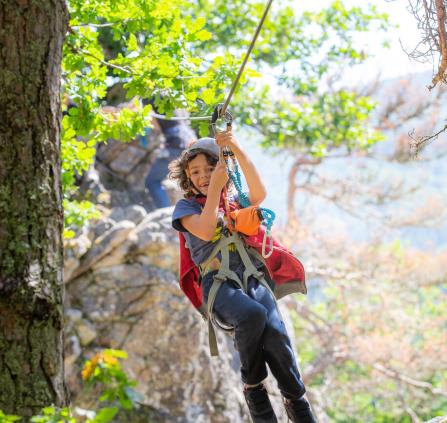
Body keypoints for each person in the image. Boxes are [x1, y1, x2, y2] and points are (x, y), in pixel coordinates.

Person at [169, 132, 317, 423]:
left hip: (251, 276)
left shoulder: (233, 200)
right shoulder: (185, 208)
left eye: (210, 169)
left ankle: (297, 404)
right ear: (186, 177)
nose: (203, 176)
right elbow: (205, 227)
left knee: (275, 333)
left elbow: (259, 192)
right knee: (251, 316)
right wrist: (215, 190)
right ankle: (254, 387)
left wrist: (233, 146)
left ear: (222, 169)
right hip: (219, 285)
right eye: (195, 172)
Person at [144, 99, 197, 208]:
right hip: (190, 141)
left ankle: (165, 213)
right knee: (193, 181)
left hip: (175, 143)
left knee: (152, 181)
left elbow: (154, 125)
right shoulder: (174, 96)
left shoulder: (148, 98)